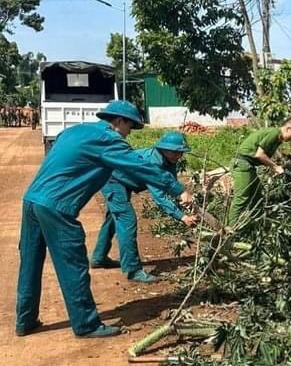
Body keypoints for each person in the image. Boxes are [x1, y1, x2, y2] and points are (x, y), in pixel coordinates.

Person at [15, 100, 193, 339]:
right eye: (131, 127)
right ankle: (86, 325)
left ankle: (25, 320)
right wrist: (179, 189)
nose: (130, 133)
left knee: (30, 261)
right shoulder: (109, 140)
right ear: (118, 121)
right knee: (73, 265)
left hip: (32, 200)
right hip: (57, 207)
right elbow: (141, 167)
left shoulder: (75, 131)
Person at [91, 130, 197, 283]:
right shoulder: (151, 163)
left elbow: (170, 184)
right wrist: (182, 217)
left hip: (124, 181)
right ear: (164, 149)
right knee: (127, 220)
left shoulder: (170, 162)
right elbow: (160, 197)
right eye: (175, 152)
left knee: (114, 218)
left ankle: (99, 258)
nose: (178, 156)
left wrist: (185, 201)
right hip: (112, 179)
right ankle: (133, 270)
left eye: (180, 152)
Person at [228, 118, 291, 229]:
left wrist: (273, 168)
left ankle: (256, 227)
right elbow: (259, 155)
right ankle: (230, 229)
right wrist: (275, 167)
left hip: (249, 166)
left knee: (257, 196)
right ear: (288, 129)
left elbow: (263, 158)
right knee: (242, 197)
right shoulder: (274, 133)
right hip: (242, 164)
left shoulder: (278, 139)